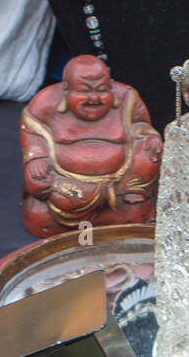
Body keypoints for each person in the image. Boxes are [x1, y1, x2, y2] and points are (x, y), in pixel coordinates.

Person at [20, 55, 162, 237]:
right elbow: (31, 131)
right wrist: (36, 156)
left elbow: (141, 126)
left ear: (110, 86)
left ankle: (131, 198)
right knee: (41, 186)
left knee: (150, 151)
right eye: (84, 91)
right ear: (65, 89)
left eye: (102, 90)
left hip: (123, 184)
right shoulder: (44, 103)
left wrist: (151, 137)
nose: (94, 98)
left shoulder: (127, 99)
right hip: (68, 183)